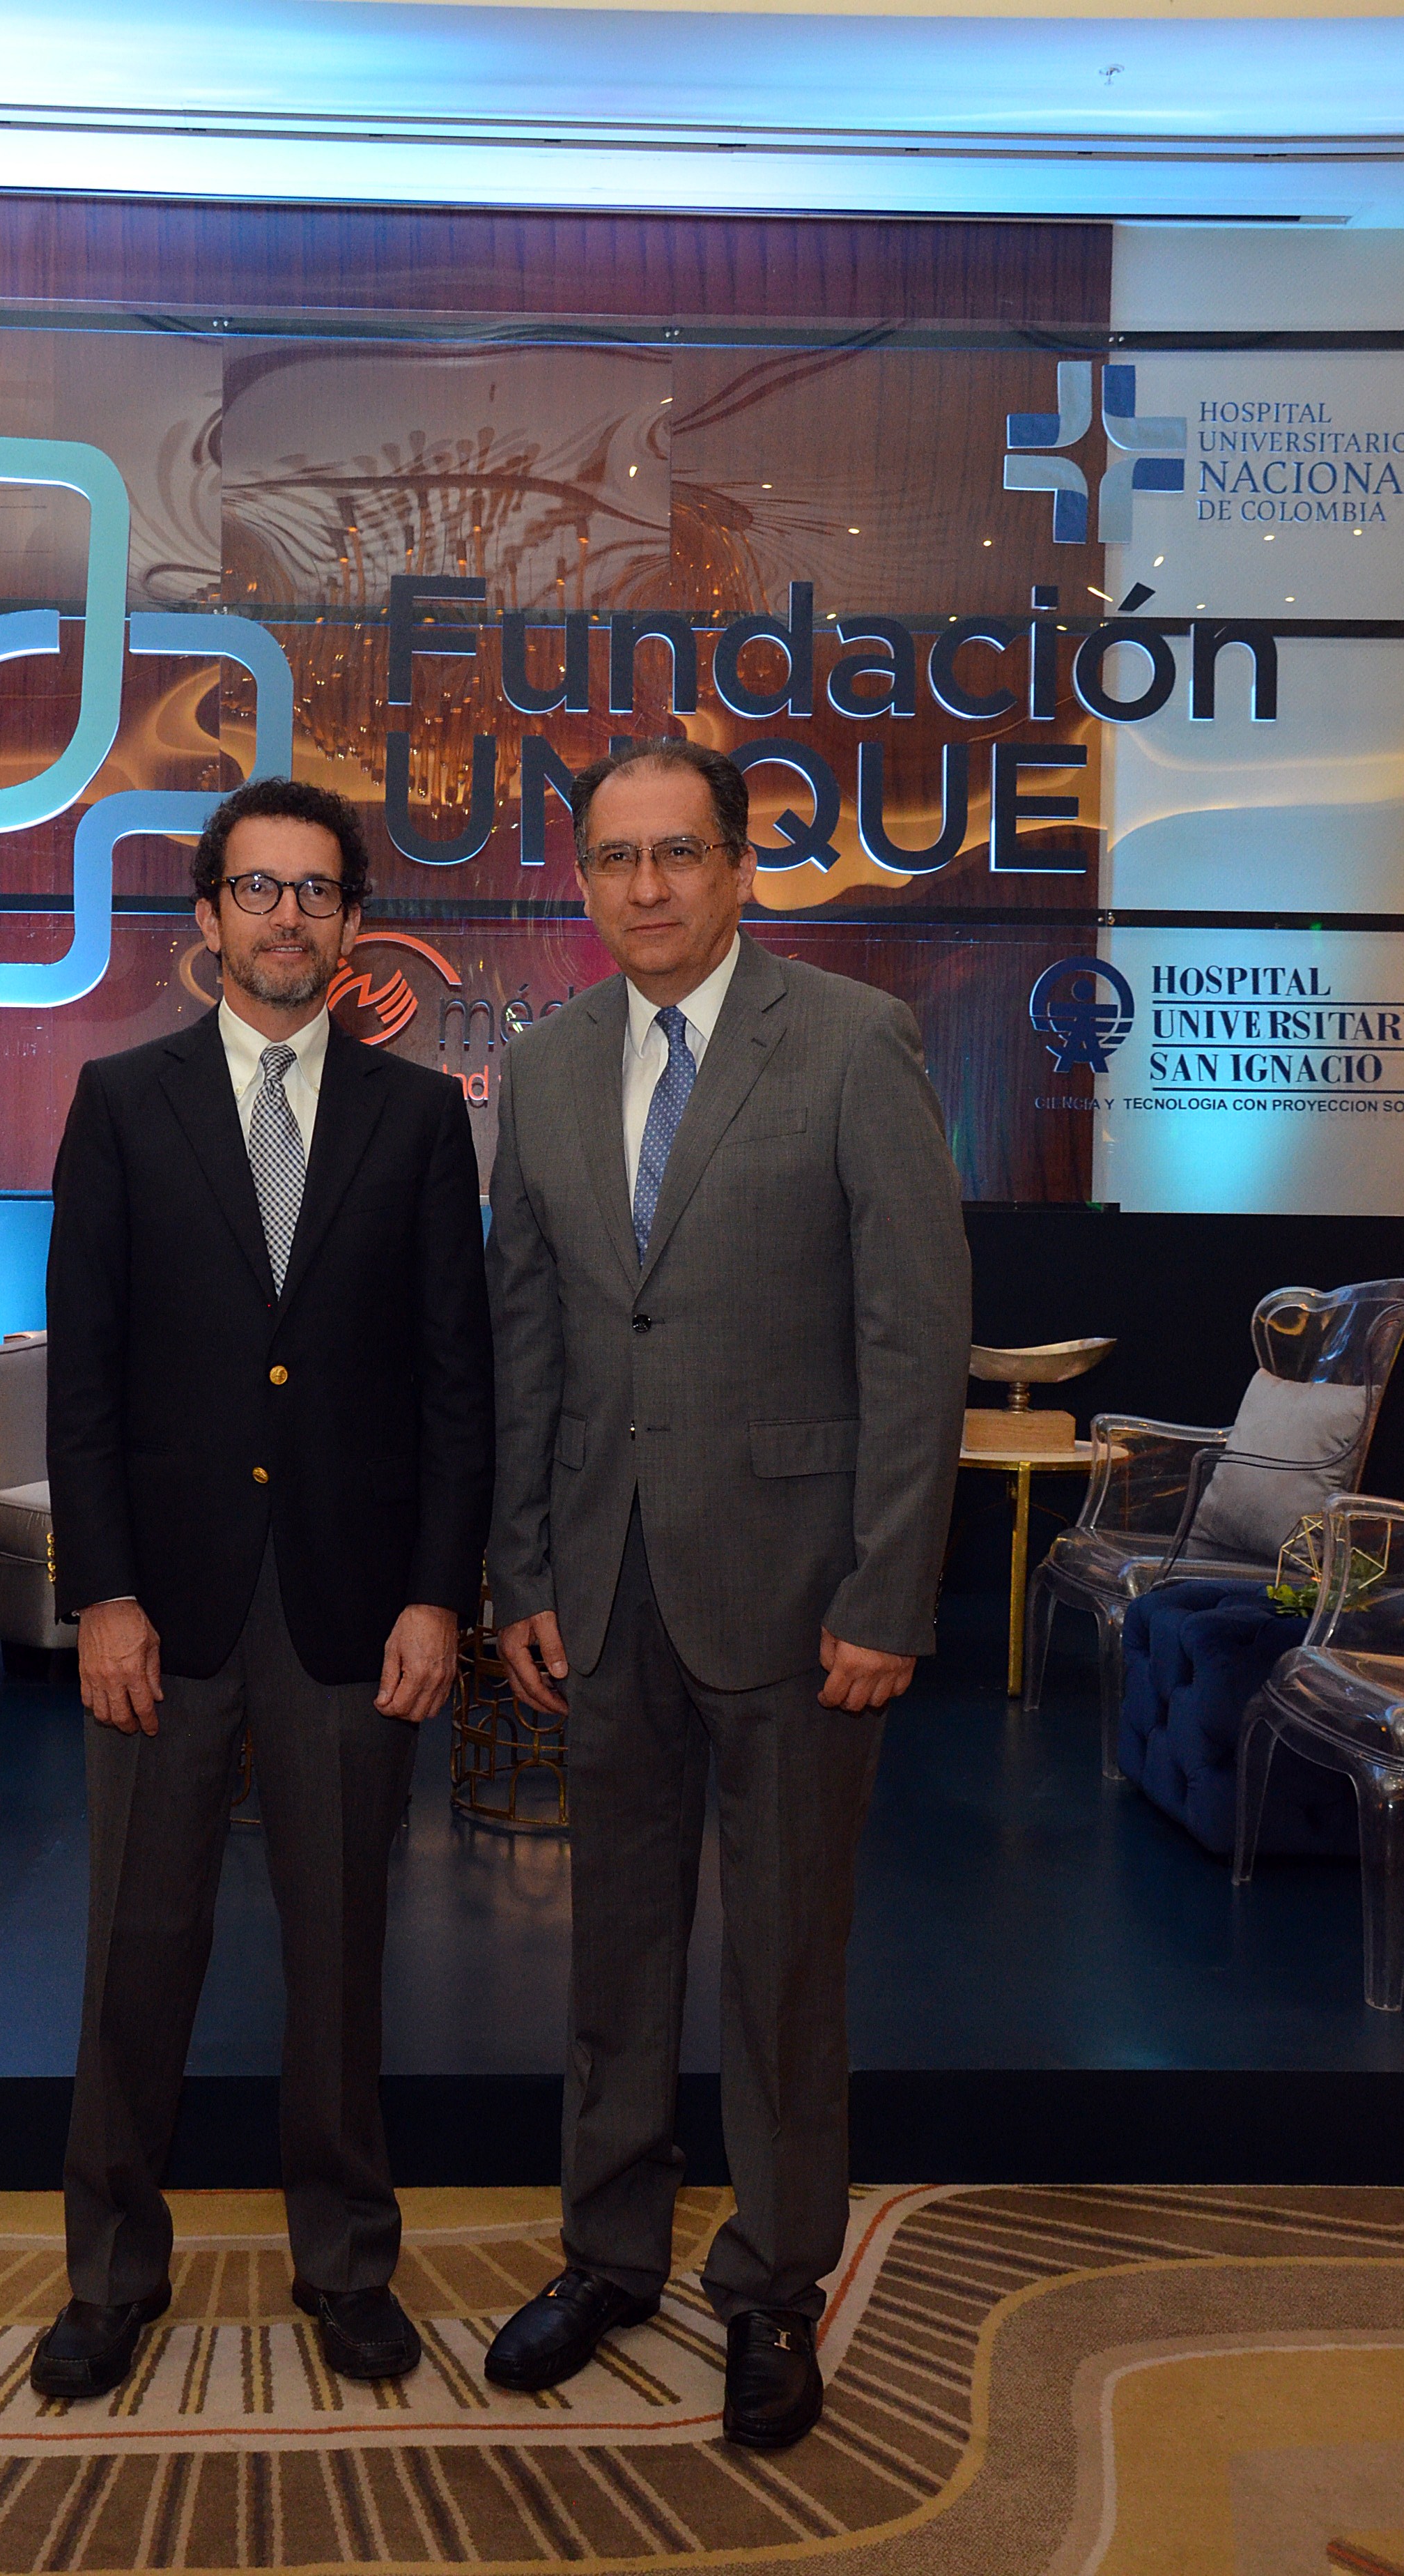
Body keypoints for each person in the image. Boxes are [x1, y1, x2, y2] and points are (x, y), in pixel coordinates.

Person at [482, 738, 969, 2451]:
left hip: (799, 1592)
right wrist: (521, 1569)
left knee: (781, 1965)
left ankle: (770, 2285)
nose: (647, 887)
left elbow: (916, 1337)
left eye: (678, 853)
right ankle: (609, 2255)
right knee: (612, 1951)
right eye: (615, 859)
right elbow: (529, 1341)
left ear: (742, 866)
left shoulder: (851, 1041)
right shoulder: (543, 1063)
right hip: (601, 1588)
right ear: (584, 880)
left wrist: (889, 1590)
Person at [33, 776, 493, 2400]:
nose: (286, 915)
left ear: (352, 921)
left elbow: (457, 1388)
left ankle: (346, 2266)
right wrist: (102, 1594)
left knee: (342, 1959)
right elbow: (83, 1380)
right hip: (163, 1611)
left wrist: (439, 1597)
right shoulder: (120, 1103)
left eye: (314, 890)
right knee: (135, 1953)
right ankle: (109, 2274)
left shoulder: (421, 1119)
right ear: (209, 916)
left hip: (354, 1612)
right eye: (257, 887)